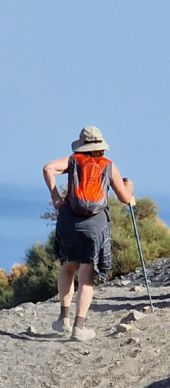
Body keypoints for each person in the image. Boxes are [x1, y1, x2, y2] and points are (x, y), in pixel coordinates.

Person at [43, 126, 134, 341]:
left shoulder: (73, 161)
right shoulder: (108, 166)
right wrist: (128, 186)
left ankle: (63, 320)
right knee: (86, 276)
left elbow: (48, 168)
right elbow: (124, 198)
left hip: (69, 222)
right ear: (101, 146)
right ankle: (79, 327)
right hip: (96, 225)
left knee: (67, 268)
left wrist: (56, 198)